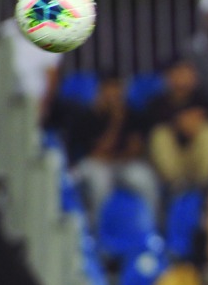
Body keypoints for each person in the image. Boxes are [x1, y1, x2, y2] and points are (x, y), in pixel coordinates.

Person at [61, 71, 160, 223]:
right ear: (100, 90)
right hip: (91, 165)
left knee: (144, 178)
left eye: (117, 88)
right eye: (109, 88)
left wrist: (120, 153)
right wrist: (115, 123)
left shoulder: (133, 114)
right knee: (99, 182)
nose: (114, 93)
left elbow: (136, 151)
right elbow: (97, 153)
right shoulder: (87, 116)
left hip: (122, 164)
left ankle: (152, 226)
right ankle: (95, 230)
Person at [147, 96, 208, 197]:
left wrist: (195, 123)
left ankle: (203, 186)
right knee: (160, 134)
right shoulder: (158, 103)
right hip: (170, 169)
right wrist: (179, 124)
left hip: (196, 164)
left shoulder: (202, 98)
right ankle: (174, 187)